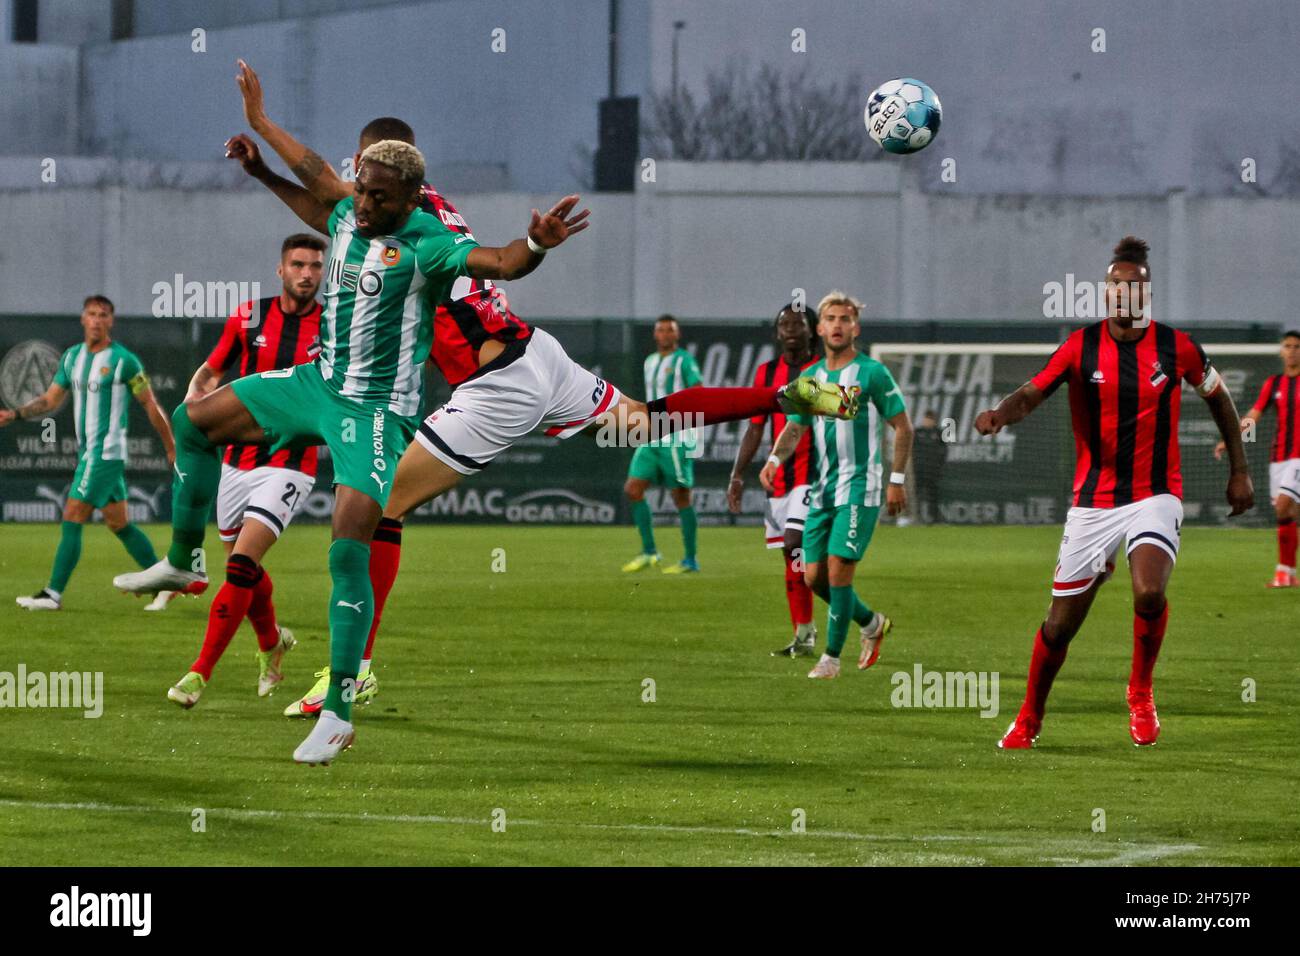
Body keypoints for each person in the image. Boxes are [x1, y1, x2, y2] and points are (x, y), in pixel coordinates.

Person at [229, 61, 860, 732]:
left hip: (497, 385)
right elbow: (327, 206)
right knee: (644, 424)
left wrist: (264, 126)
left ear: (375, 164)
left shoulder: (399, 220)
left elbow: (324, 185)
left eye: (362, 170)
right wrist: (263, 171)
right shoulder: (402, 209)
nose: (356, 184)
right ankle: (786, 396)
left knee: (378, 507)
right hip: (537, 356)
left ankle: (353, 670)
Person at [113, 135, 592, 765]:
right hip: (317, 383)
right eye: (360, 187)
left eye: (378, 196)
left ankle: (337, 711)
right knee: (195, 420)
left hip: (372, 413)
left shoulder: (428, 243)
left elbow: (500, 261)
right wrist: (259, 163)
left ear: (411, 198)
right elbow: (316, 201)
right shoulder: (347, 212)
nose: (363, 203)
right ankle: (184, 561)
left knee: (347, 551)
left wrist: (535, 244)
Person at [978, 236, 1254, 749]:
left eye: (1134, 287)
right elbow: (1031, 393)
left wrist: (1239, 469)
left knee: (1149, 589)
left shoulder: (1179, 348)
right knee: (1059, 627)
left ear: (1147, 295)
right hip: (1093, 503)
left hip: (1156, 493)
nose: (1125, 294)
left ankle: (1141, 691)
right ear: (1105, 294)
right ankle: (1029, 718)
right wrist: (1000, 413)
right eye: (1116, 287)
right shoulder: (1080, 347)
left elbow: (1220, 402)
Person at [165, 234, 328, 708]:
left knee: (239, 566)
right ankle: (271, 644)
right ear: (280, 270)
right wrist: (193, 409)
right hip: (235, 462)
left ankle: (199, 673)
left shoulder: (334, 324)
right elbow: (212, 372)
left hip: (290, 463)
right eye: (298, 264)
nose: (307, 274)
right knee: (248, 567)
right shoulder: (249, 315)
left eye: (316, 266)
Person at [761, 291, 913, 679]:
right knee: (814, 578)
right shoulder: (812, 379)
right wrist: (775, 459)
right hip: (824, 489)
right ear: (820, 327)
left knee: (840, 569)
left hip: (862, 488)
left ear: (855, 327)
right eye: (830, 318)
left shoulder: (871, 373)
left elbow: (902, 426)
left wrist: (896, 480)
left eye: (845, 319)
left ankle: (830, 658)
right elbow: (795, 426)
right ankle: (871, 622)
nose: (838, 325)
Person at [3, 296, 176, 610]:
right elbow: (51, 400)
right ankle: (165, 582)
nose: (97, 320)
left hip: (105, 453)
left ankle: (52, 595)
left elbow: (150, 404)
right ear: (83, 319)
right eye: (92, 314)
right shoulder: (71, 358)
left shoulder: (124, 361)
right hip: (90, 453)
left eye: (104, 315)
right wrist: (14, 415)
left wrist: (171, 446)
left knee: (72, 515)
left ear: (111, 321)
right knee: (118, 523)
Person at [728, 303, 821, 655]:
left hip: (815, 473)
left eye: (798, 323)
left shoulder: (823, 369)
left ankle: (841, 615)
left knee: (794, 543)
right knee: (791, 556)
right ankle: (804, 633)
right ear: (777, 332)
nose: (791, 329)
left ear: (812, 330)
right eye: (784, 324)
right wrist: (737, 474)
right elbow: (755, 428)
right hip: (779, 477)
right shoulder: (767, 373)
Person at [1214, 330, 1300, 588]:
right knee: (1286, 515)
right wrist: (1232, 441)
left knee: (1283, 506)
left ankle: (1284, 572)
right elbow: (1254, 415)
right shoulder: (1273, 384)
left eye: (1297, 346)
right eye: (1288, 346)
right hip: (1278, 459)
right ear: (1281, 351)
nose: (1293, 350)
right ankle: (1286, 573)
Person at [622, 315, 703, 574]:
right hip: (652, 435)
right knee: (633, 489)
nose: (665, 334)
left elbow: (698, 391)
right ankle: (649, 552)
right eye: (661, 330)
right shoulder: (650, 361)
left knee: (680, 496)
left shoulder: (684, 361)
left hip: (677, 437)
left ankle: (690, 559)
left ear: (676, 335)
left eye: (670, 330)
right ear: (655, 335)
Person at [911, 411, 947, 524]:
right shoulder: (917, 432)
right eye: (926, 419)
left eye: (930, 419)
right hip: (918, 470)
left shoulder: (938, 433)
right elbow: (910, 449)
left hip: (932, 471)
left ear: (934, 421)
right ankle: (915, 517)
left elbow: (944, 451)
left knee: (933, 495)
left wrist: (939, 466)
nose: (927, 421)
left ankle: (934, 519)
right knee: (916, 495)